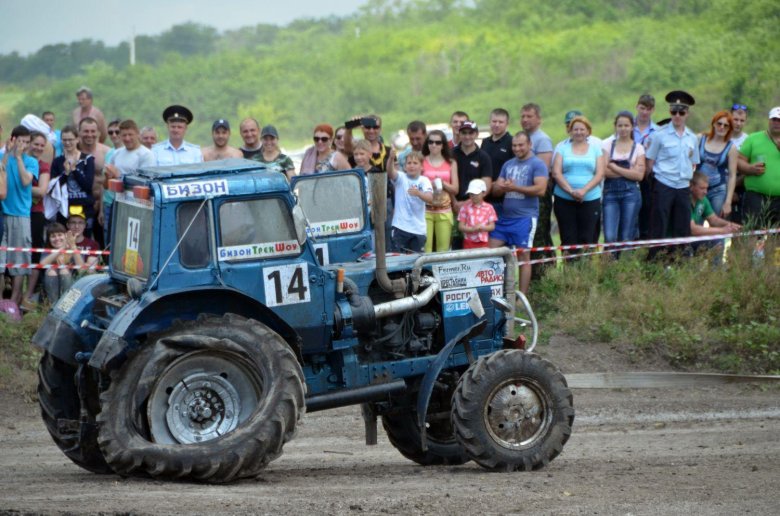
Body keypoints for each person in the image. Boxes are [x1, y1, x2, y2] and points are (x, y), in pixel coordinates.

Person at [490, 131, 549, 293]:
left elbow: (541, 190)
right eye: (514, 145)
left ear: (530, 145)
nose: (517, 148)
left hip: (525, 218)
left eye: (521, 145)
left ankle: (521, 297)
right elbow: (496, 192)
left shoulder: (537, 164)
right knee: (490, 252)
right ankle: (498, 292)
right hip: (505, 218)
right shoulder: (508, 164)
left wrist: (515, 187)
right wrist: (499, 186)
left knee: (524, 258)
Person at [645, 90, 701, 259]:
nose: (677, 116)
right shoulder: (659, 135)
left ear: (687, 114)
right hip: (664, 183)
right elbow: (650, 163)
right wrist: (656, 183)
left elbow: (694, 163)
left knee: (682, 227)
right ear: (670, 112)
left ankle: (678, 261)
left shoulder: (692, 137)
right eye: (673, 112)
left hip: (683, 186)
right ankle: (654, 262)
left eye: (681, 112)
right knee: (659, 225)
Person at [552, 116, 605, 250]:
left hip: (590, 199)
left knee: (587, 238)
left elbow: (600, 173)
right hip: (564, 199)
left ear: (588, 131)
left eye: (582, 129)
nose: (579, 132)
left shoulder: (595, 149)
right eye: (575, 129)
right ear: (570, 131)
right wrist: (571, 191)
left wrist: (583, 191)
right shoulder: (562, 149)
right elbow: (556, 173)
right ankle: (570, 270)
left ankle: (585, 270)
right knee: (568, 238)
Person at [0, 126, 39, 305]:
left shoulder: (31, 162)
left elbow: (25, 181)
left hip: (21, 215)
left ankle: (14, 303)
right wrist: (8, 155)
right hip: (2, 212)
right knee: (1, 262)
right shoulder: (2, 157)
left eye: (26, 142)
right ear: (13, 139)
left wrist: (18, 158)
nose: (23, 145)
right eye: (20, 141)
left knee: (19, 262)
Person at [102, 120, 155, 245]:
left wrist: (119, 175)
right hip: (118, 203)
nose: (127, 138)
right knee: (113, 242)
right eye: (124, 135)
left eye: (130, 134)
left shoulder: (146, 155)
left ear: (137, 134)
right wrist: (107, 176)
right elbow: (106, 186)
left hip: (138, 207)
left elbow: (146, 184)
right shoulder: (117, 153)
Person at [601, 112, 645, 245]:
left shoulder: (638, 148)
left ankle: (622, 265)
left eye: (626, 125)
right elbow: (603, 171)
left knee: (626, 236)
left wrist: (614, 167)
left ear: (632, 127)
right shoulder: (608, 145)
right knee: (609, 236)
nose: (623, 128)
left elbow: (639, 176)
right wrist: (629, 172)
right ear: (615, 127)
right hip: (610, 193)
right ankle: (610, 264)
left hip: (631, 194)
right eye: (620, 125)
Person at [521, 103, 555, 264]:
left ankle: (544, 272)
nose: (525, 120)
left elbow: (543, 170)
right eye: (523, 116)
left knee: (540, 235)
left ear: (538, 119)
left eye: (529, 116)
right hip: (524, 194)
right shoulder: (522, 138)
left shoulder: (542, 139)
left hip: (539, 194)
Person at [21, 131, 52, 309]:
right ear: (28, 143)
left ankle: (29, 295)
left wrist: (19, 187)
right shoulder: (18, 161)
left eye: (42, 145)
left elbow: (42, 191)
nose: (39, 148)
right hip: (17, 212)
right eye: (36, 144)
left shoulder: (43, 165)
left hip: (35, 212)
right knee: (15, 254)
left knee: (34, 254)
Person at [737, 106, 780, 226]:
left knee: (776, 236)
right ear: (769, 120)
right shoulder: (753, 138)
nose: (777, 123)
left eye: (779, 120)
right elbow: (739, 161)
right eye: (774, 119)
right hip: (756, 195)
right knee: (751, 231)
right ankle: (750, 246)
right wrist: (749, 169)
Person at [50, 125, 96, 235]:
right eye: (64, 140)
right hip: (65, 208)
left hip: (84, 206)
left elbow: (88, 186)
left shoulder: (87, 159)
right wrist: (65, 173)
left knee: (84, 239)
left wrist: (74, 170)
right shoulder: (57, 161)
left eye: (70, 139)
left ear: (77, 139)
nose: (67, 143)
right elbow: (54, 188)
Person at [387, 151, 433, 253]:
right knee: (398, 260)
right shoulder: (401, 177)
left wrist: (419, 193)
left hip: (418, 230)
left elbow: (430, 198)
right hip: (400, 227)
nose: (412, 166)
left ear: (422, 167)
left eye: (415, 163)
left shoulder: (424, 180)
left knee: (416, 262)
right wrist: (390, 159)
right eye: (409, 163)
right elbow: (390, 172)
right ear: (405, 166)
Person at [421, 129, 459, 252]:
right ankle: (425, 272)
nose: (434, 145)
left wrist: (443, 184)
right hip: (425, 210)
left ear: (443, 145)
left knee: (443, 250)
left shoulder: (451, 163)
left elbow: (456, 189)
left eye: (438, 142)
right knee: (425, 250)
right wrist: (429, 185)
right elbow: (415, 185)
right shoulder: (421, 161)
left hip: (444, 210)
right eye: (431, 142)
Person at [696, 111, 738, 218]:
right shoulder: (700, 138)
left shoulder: (731, 148)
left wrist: (728, 202)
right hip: (697, 188)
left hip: (718, 190)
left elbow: (732, 176)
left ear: (729, 128)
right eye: (719, 123)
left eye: (726, 125)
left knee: (717, 225)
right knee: (696, 223)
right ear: (713, 124)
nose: (722, 127)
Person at [635, 94, 661, 240]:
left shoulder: (657, 131)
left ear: (653, 110)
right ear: (637, 107)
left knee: (646, 211)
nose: (645, 112)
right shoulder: (627, 126)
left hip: (649, 177)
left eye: (648, 109)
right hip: (629, 174)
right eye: (642, 108)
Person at [39, 223, 83, 303]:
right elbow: (42, 264)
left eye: (60, 235)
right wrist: (62, 249)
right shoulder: (47, 250)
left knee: (64, 270)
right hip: (48, 288)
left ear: (65, 236)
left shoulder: (74, 248)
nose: (57, 238)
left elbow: (82, 269)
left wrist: (72, 246)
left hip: (74, 287)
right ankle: (52, 306)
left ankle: (66, 305)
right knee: (51, 272)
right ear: (48, 239)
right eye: (53, 236)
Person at [481, 108, 513, 216]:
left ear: (507, 124)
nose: (497, 125)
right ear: (490, 122)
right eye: (494, 121)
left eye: (500, 122)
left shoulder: (512, 142)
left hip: (503, 198)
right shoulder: (485, 142)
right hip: (484, 197)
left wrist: (495, 185)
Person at [690, 172, 741, 238]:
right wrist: (722, 230)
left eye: (706, 188)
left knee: (718, 242)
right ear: (691, 186)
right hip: (680, 241)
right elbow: (693, 229)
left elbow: (714, 220)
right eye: (702, 188)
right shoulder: (684, 202)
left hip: (691, 238)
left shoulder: (703, 200)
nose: (705, 192)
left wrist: (731, 225)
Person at [459, 179, 497, 250]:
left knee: (483, 259)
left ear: (484, 193)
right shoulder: (465, 207)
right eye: (471, 194)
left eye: (476, 194)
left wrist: (482, 227)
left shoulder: (489, 207)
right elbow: (461, 226)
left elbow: (492, 226)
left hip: (483, 241)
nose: (473, 196)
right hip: (468, 241)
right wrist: (471, 229)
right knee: (469, 259)